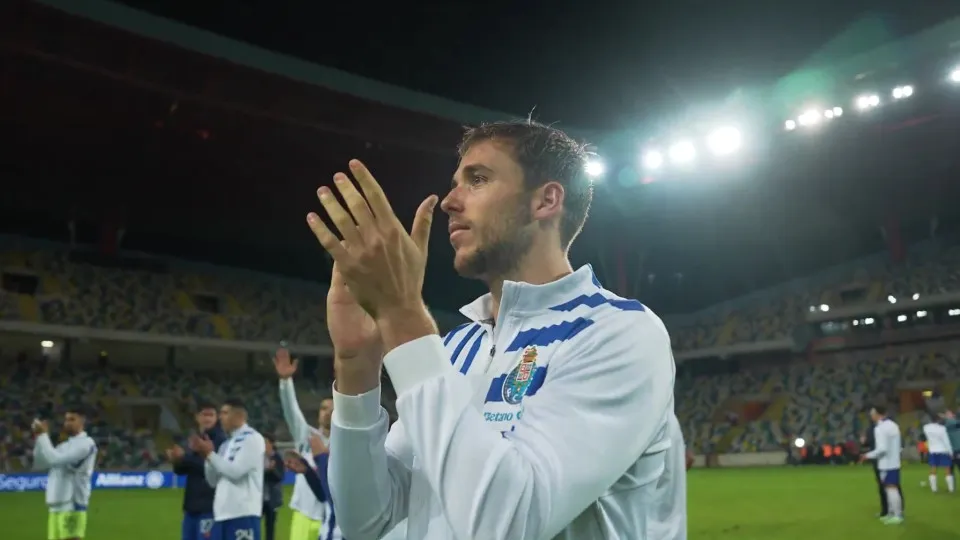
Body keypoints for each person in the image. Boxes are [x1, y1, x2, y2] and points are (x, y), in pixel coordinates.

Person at [305, 120, 683, 539]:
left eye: (478, 180)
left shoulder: (618, 333)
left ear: (546, 201)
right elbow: (369, 520)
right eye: (455, 183)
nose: (450, 201)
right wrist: (356, 365)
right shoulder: (454, 349)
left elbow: (509, 525)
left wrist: (400, 314)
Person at [273, 347, 339, 540]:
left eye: (332, 408)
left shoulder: (345, 441)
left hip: (331, 515)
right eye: (324, 408)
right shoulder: (306, 435)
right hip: (304, 514)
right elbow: (290, 411)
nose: (327, 412)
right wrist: (285, 382)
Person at [191, 398, 265, 540]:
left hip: (243, 514)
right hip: (222, 514)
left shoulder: (253, 439)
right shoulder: (226, 444)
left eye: (225, 413)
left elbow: (236, 472)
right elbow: (213, 481)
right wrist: (207, 457)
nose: (220, 417)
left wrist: (210, 454)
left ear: (239, 416)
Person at [32, 405, 98, 540]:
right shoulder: (64, 445)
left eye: (72, 419)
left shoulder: (86, 444)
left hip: (72, 503)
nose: (67, 423)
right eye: (66, 419)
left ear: (82, 422)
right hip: (55, 504)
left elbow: (55, 459)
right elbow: (40, 463)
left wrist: (44, 436)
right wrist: (39, 437)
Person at [168, 401, 227, 540]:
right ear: (197, 417)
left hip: (210, 506)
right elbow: (182, 470)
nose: (207, 418)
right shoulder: (195, 437)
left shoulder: (221, 440)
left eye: (211, 415)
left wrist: (185, 458)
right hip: (191, 506)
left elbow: (215, 468)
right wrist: (177, 460)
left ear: (216, 417)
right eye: (204, 414)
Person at [860, 406, 903, 525]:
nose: (871, 415)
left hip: (886, 463)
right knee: (890, 489)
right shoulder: (893, 425)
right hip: (894, 461)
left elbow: (882, 449)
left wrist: (867, 455)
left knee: (891, 489)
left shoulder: (880, 428)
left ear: (878, 414)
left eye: (873, 413)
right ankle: (891, 513)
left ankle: (897, 515)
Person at [922, 416, 955, 493]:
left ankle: (934, 488)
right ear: (938, 420)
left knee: (933, 468)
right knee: (947, 469)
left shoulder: (926, 428)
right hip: (943, 450)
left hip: (933, 450)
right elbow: (946, 441)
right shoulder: (942, 428)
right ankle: (951, 488)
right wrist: (950, 451)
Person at [263, 434, 285, 540]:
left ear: (271, 444)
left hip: (272, 498)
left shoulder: (277, 458)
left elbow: (280, 476)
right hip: (259, 498)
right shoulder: (258, 457)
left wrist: (271, 470)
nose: (264, 445)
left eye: (266, 442)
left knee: (270, 527)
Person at [942, 410, 960, 477]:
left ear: (953, 415)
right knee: (950, 469)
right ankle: (951, 486)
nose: (947, 415)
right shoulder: (947, 423)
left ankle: (951, 486)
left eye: (949, 414)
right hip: (950, 450)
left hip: (957, 449)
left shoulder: (956, 422)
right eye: (946, 414)